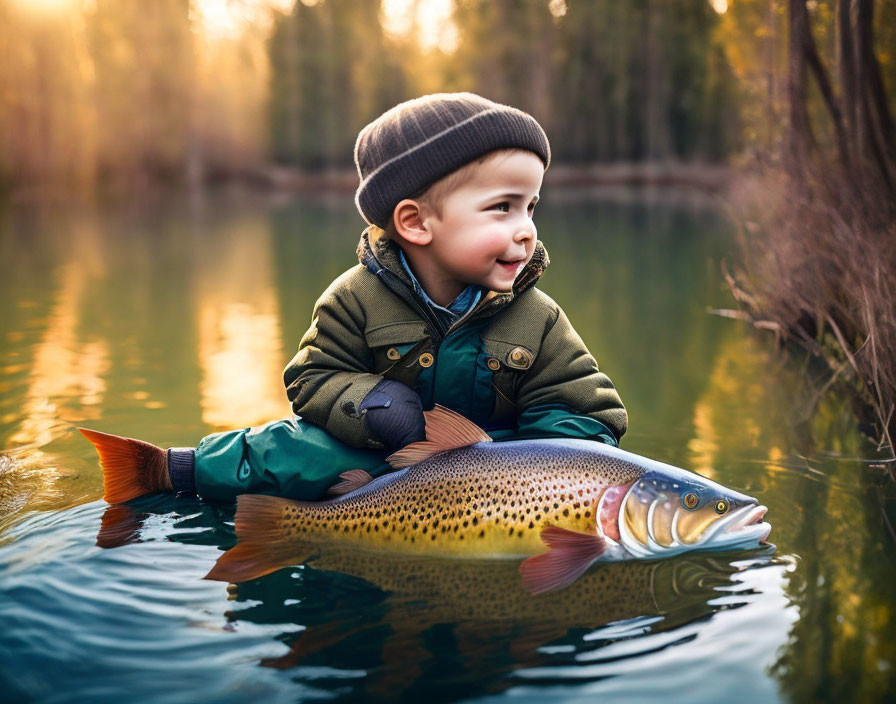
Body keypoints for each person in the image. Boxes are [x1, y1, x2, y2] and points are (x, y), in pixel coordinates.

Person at [82, 93, 627, 504]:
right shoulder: (354, 299)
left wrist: (555, 464)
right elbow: (311, 379)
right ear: (415, 222)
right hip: (381, 453)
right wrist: (369, 405)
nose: (527, 229)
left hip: (499, 463)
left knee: (577, 462)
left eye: (532, 207)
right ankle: (164, 470)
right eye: (503, 207)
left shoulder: (538, 317)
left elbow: (584, 408)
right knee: (296, 452)